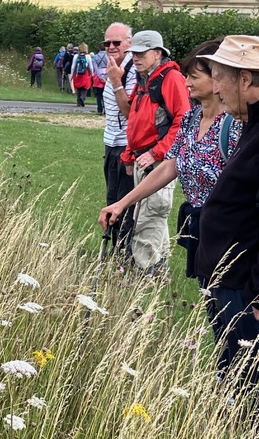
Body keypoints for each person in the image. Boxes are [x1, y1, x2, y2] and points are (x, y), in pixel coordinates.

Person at [99, 39, 241, 335]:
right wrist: (123, 202)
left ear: (217, 79)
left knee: (235, 313)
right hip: (201, 226)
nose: (186, 81)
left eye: (194, 76)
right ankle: (225, 373)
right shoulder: (192, 118)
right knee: (213, 308)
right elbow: (171, 165)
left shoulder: (236, 125)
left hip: (231, 231)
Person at [194, 35, 259, 379]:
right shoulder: (250, 125)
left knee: (246, 385)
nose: (215, 89)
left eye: (220, 77)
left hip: (244, 291)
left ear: (245, 79)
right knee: (229, 377)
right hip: (227, 280)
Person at [120, 30, 191, 276]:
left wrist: (157, 151)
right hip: (145, 159)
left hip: (157, 162)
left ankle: (144, 276)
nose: (136, 58)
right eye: (134, 53)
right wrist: (130, 155)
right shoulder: (146, 79)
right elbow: (135, 119)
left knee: (148, 218)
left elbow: (183, 120)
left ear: (157, 53)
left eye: (141, 53)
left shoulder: (171, 79)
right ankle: (159, 273)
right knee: (154, 217)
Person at [102, 22, 137, 253]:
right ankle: (115, 249)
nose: (111, 47)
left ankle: (124, 253)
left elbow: (129, 112)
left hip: (126, 144)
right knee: (112, 198)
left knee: (124, 202)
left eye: (117, 42)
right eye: (107, 43)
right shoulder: (113, 65)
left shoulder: (132, 69)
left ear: (129, 44)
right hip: (111, 142)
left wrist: (116, 81)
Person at [92, 43, 108, 114]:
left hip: (98, 76)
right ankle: (106, 109)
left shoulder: (96, 57)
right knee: (106, 94)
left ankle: (99, 109)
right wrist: (106, 77)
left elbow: (95, 67)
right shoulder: (108, 56)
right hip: (107, 75)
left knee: (98, 94)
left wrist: (100, 77)